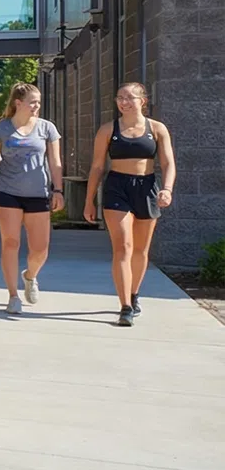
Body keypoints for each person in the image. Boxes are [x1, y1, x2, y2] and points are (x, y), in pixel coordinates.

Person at [83, 82, 177, 327]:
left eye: (130, 97)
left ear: (142, 101)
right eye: (120, 97)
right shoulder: (108, 130)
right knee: (123, 246)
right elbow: (97, 166)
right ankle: (124, 306)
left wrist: (167, 189)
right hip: (117, 187)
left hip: (147, 187)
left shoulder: (157, 129)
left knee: (140, 250)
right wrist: (89, 200)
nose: (124, 102)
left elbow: (168, 164)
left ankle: (134, 294)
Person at [0, 83, 63, 315]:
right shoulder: (1, 130)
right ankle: (13, 296)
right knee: (11, 242)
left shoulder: (47, 128)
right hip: (8, 193)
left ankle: (30, 276)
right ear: (18, 103)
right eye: (33, 102)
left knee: (40, 249)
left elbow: (55, 163)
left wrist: (58, 190)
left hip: (38, 193)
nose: (37, 106)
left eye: (38, 102)